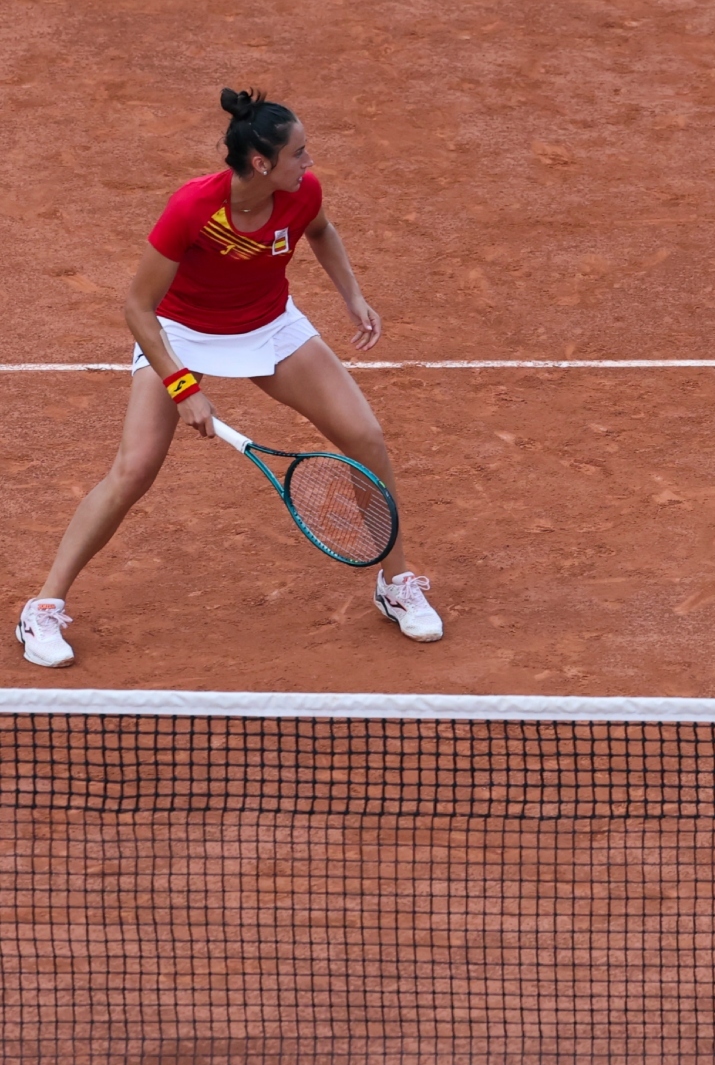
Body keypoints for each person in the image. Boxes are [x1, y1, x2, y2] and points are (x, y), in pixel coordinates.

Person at [16, 89, 442, 667]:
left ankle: (396, 583)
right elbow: (139, 308)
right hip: (182, 333)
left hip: (269, 326)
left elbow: (321, 231)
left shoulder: (302, 193)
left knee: (365, 437)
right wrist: (182, 386)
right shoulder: (192, 208)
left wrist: (354, 296)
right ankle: (42, 608)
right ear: (262, 164)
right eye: (299, 153)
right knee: (133, 470)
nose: (309, 163)